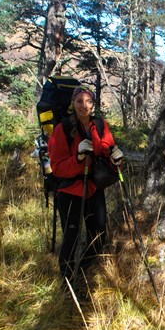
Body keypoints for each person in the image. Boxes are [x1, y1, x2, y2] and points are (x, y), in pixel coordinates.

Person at [48, 84, 123, 284]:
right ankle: (66, 283)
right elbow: (58, 168)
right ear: (73, 103)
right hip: (69, 191)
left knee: (98, 236)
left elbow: (108, 151)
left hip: (92, 188)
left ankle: (82, 273)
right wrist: (78, 157)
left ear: (93, 104)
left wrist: (117, 159)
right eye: (80, 101)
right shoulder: (62, 129)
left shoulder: (99, 125)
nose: (84, 105)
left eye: (89, 101)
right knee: (71, 238)